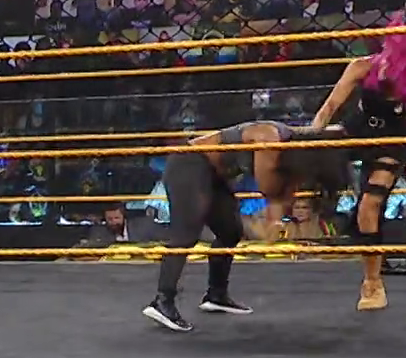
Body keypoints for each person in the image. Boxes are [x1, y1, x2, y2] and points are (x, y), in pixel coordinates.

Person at [141, 121, 350, 332]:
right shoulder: (269, 139)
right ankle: (162, 301)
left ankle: (216, 295)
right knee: (186, 235)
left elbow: (285, 187)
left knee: (230, 232)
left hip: (212, 175)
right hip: (189, 164)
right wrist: (275, 216)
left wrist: (280, 210)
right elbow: (268, 188)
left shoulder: (290, 145)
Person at [311, 26, 406, 312]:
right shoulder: (362, 66)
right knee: (314, 169)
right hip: (356, 132)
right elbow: (330, 107)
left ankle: (373, 283)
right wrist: (311, 138)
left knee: (370, 204)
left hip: (392, 144)